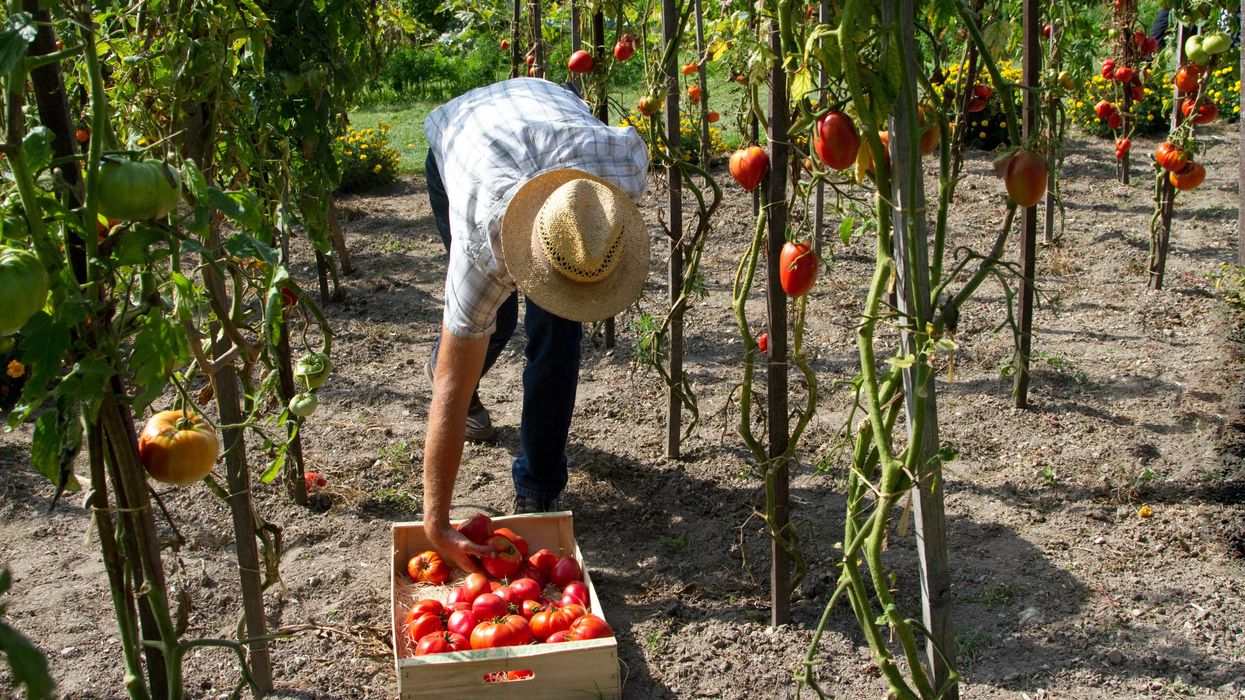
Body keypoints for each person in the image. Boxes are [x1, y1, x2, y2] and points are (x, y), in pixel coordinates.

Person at [420, 77, 650, 573]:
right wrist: (436, 525)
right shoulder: (483, 247)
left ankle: (538, 487)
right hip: (463, 139)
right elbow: (448, 393)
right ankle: (453, 361)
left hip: (543, 106)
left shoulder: (617, 178)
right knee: (490, 325)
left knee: (559, 336)